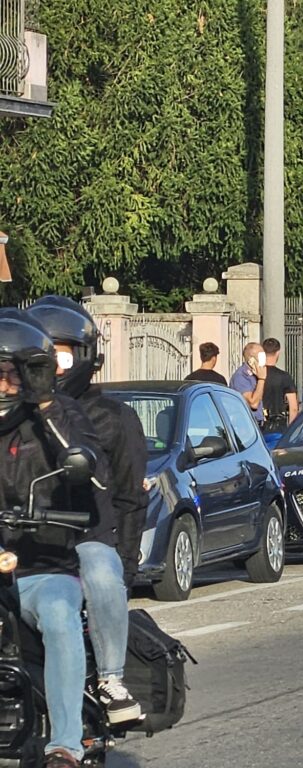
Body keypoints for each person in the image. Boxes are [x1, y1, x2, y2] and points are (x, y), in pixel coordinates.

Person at [0, 311, 114, 768]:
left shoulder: (58, 416)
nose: (4, 383)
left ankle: (63, 744)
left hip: (40, 566)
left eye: (14, 373)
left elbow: (90, 467)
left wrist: (46, 404)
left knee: (61, 614)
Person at [26, 297, 146, 725]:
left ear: (84, 354)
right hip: (25, 538)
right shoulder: (15, 414)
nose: (54, 365)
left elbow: (131, 498)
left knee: (100, 570)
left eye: (62, 353)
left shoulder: (112, 417)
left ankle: (111, 679)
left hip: (85, 536)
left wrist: (125, 568)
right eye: (43, 353)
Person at [260, 338, 297, 434]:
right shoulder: (284, 376)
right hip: (279, 425)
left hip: (258, 424)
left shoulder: (257, 374)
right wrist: (290, 432)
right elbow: (293, 407)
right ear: (278, 352)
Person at [230, 342, 267, 426]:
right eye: (261, 356)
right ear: (251, 360)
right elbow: (253, 403)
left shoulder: (256, 375)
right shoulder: (241, 376)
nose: (264, 359)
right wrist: (261, 380)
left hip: (258, 423)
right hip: (245, 425)